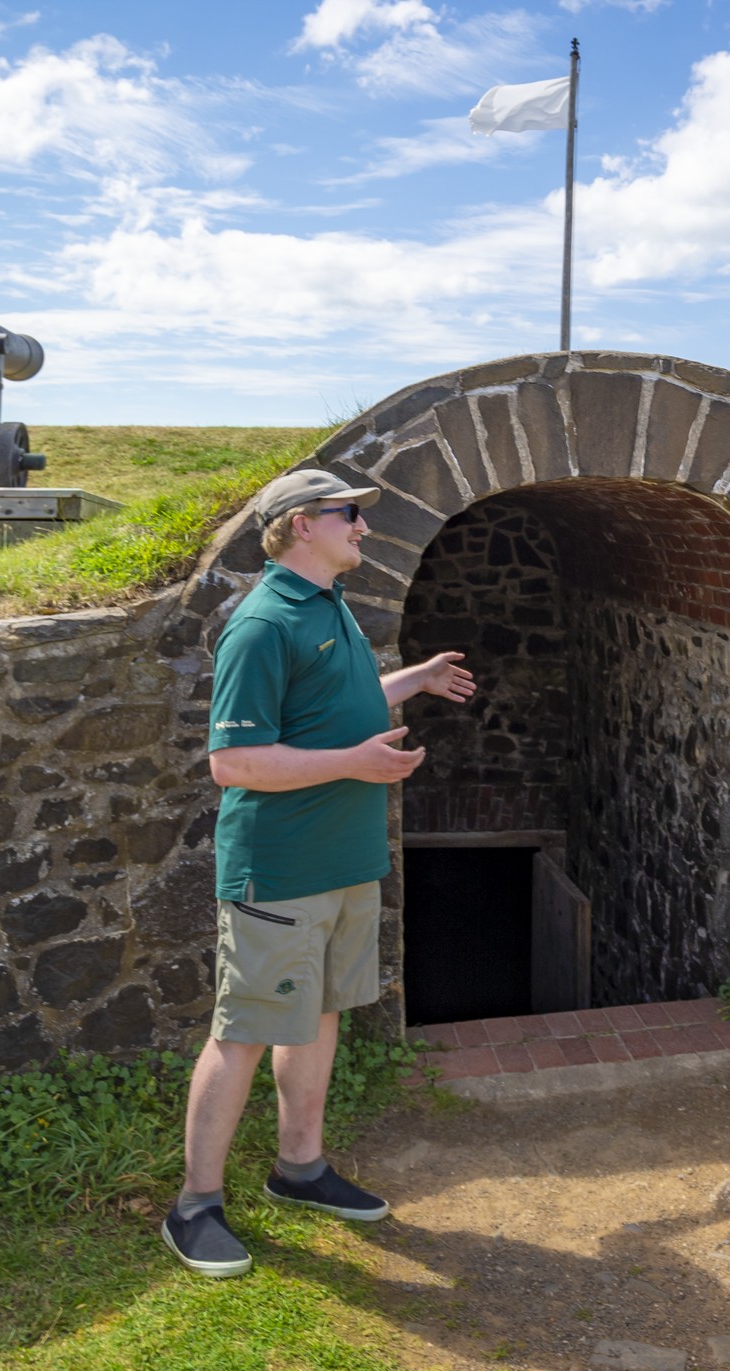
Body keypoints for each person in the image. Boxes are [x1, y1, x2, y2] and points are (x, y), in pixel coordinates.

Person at [163, 468, 476, 1279]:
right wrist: (359, 766)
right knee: (244, 1033)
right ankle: (195, 1204)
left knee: (325, 1012)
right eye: (350, 516)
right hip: (284, 869)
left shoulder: (326, 603)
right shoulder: (261, 624)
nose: (364, 528)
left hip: (344, 862)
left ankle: (298, 1168)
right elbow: (233, 762)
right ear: (302, 524)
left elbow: (333, 707)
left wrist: (414, 681)